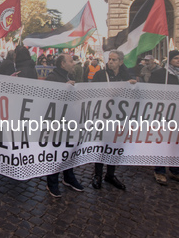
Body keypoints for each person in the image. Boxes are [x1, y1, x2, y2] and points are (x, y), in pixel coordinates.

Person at [149, 50, 179, 187]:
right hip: (164, 114)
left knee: (178, 143)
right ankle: (160, 171)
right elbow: (150, 91)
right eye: (176, 58)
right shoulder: (159, 74)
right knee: (162, 142)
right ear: (169, 60)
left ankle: (176, 171)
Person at [91, 50, 135, 191]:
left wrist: (132, 86)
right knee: (101, 145)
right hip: (103, 117)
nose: (110, 62)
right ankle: (97, 175)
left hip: (120, 118)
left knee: (115, 145)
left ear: (121, 62)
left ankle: (110, 174)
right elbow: (93, 93)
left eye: (114, 60)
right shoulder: (100, 75)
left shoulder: (126, 76)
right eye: (109, 59)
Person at [45, 53, 84, 197]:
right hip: (57, 123)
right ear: (62, 64)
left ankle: (69, 177)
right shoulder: (53, 77)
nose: (73, 63)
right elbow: (48, 98)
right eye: (70, 61)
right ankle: (52, 183)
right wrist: (63, 88)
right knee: (55, 153)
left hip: (69, 122)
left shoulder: (67, 76)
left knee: (69, 150)